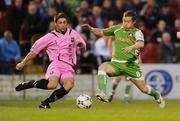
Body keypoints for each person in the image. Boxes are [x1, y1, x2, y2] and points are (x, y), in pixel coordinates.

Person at [82, 10, 165, 108]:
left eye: (128, 21)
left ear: (134, 22)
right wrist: (91, 28)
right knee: (102, 67)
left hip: (131, 65)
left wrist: (131, 47)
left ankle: (157, 95)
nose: (125, 23)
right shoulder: (117, 29)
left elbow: (141, 44)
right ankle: (103, 93)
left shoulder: (137, 32)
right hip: (117, 63)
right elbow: (101, 31)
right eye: (124, 20)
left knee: (144, 89)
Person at [15, 12, 86, 109]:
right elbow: (34, 51)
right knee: (52, 85)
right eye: (60, 22)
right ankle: (31, 84)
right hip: (56, 64)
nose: (63, 24)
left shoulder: (73, 33)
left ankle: (46, 102)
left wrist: (82, 46)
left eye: (64, 22)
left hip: (68, 66)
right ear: (55, 23)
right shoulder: (50, 36)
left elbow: (83, 45)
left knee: (69, 85)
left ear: (67, 23)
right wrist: (23, 62)